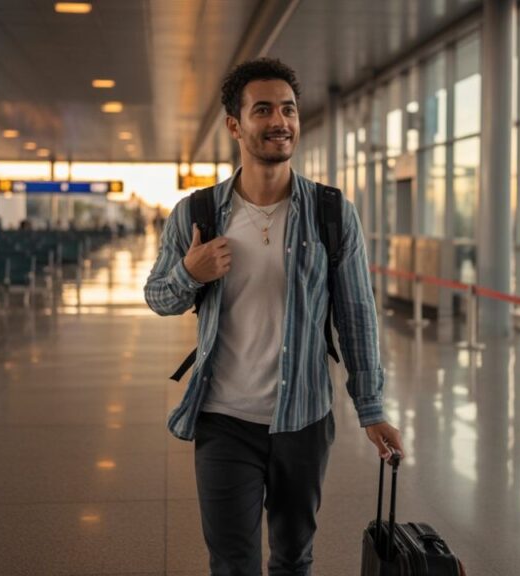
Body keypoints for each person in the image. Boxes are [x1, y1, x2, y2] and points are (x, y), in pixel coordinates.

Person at [144, 57, 402, 576]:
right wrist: (190, 273)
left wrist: (370, 407)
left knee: (292, 558)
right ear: (235, 125)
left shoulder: (332, 213)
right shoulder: (196, 214)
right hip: (222, 420)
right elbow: (157, 297)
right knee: (232, 563)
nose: (279, 121)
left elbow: (356, 315)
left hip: (303, 418)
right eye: (263, 109)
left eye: (288, 109)